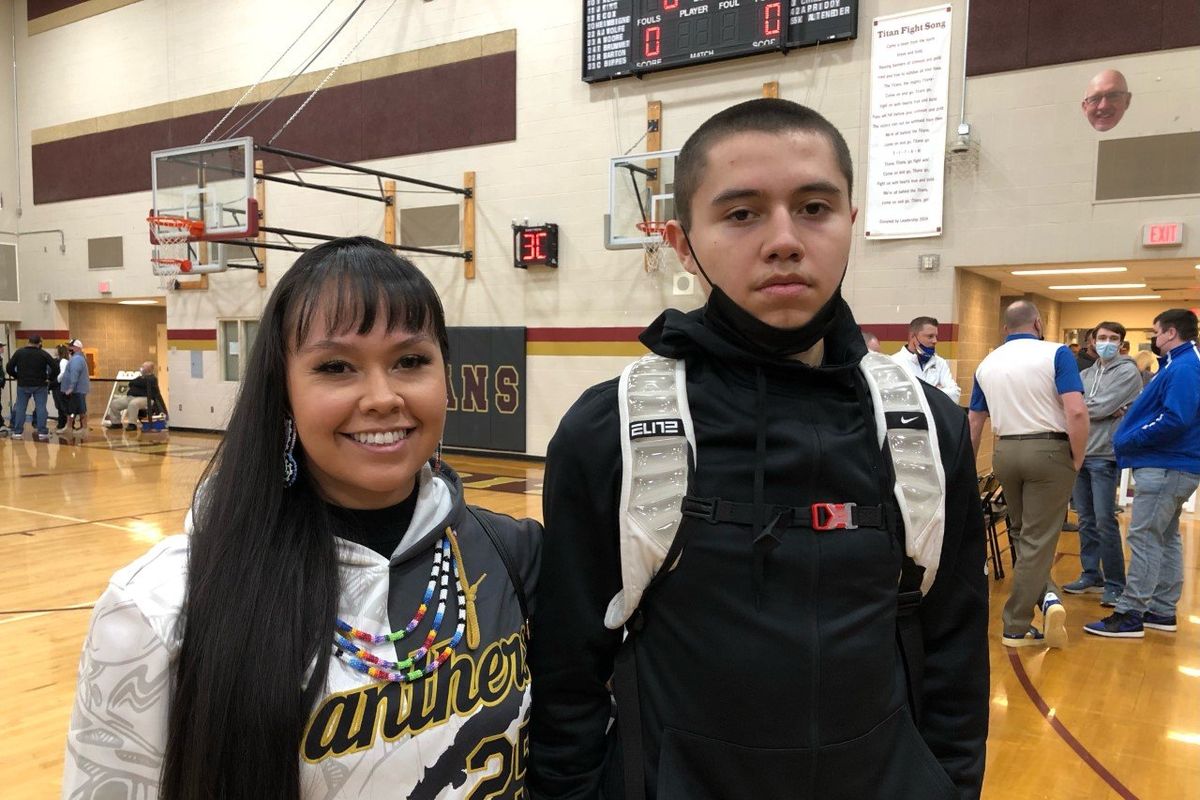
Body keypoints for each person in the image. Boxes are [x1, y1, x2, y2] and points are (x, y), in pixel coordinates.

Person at [530, 99, 989, 800]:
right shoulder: (608, 429)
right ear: (683, 242)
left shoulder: (926, 426)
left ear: (852, 223)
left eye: (814, 207)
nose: (783, 240)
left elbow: (954, 654)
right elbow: (568, 675)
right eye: (741, 214)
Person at [63, 237, 542, 798]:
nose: (383, 397)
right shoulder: (160, 607)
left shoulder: (514, 553)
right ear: (283, 393)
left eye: (410, 361)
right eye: (336, 367)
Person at [968, 300, 1088, 648]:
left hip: (1005, 451)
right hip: (1049, 450)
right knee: (1039, 537)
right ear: (1038, 323)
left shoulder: (987, 363)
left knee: (1021, 532)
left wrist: (966, 466)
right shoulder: (1057, 353)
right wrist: (1077, 457)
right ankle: (1016, 625)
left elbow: (975, 422)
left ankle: (1048, 597)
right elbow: (1076, 411)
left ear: (1005, 329)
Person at [1085, 309, 1200, 639]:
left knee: (1144, 537)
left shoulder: (1185, 366)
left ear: (1170, 332)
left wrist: (1129, 437)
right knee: (1164, 537)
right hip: (1171, 464)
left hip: (1167, 463)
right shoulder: (1179, 363)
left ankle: (1130, 612)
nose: (1154, 338)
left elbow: (1175, 418)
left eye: (1156, 332)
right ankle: (1162, 610)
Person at [1061, 321, 1142, 607]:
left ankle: (1115, 582)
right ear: (1092, 341)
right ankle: (1091, 573)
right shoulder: (1084, 373)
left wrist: (1087, 409)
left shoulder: (1128, 372)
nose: (1107, 342)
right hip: (1079, 453)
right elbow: (1070, 407)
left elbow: (1094, 407)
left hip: (1105, 455)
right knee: (1085, 519)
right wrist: (1086, 409)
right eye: (1102, 337)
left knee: (1105, 520)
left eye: (1114, 338)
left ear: (1121, 343)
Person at [891, 315, 961, 403]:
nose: (935, 341)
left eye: (936, 336)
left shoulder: (940, 363)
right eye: (930, 336)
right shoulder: (894, 363)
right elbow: (897, 399)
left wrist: (917, 392)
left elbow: (955, 396)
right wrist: (937, 391)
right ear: (913, 336)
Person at [5, 333, 59, 441]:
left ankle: (17, 431)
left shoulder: (19, 353)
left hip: (23, 384)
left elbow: (9, 367)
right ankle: (42, 432)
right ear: (39, 343)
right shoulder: (43, 354)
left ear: (28, 341)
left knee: (20, 407)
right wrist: (49, 378)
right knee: (41, 407)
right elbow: (55, 368)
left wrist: (17, 376)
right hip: (40, 385)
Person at [122, 361, 168, 430]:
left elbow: (140, 382)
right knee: (115, 403)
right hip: (132, 397)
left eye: (143, 367)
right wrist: (137, 383)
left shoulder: (152, 378)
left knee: (133, 404)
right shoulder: (141, 377)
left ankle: (132, 424)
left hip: (146, 399)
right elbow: (131, 383)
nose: (141, 368)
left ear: (148, 369)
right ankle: (115, 423)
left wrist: (137, 383)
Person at [60, 338, 90, 432]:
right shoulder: (76, 358)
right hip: (76, 390)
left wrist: (71, 388)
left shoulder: (77, 359)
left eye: (71, 346)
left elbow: (74, 374)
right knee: (72, 410)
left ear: (77, 348)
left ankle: (84, 427)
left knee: (81, 409)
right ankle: (69, 426)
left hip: (77, 390)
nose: (69, 348)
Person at [51, 344, 70, 430]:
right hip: (58, 386)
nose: (54, 351)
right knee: (59, 405)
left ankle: (65, 424)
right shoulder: (58, 360)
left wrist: (55, 381)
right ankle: (61, 423)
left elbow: (62, 374)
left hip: (60, 386)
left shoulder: (63, 361)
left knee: (62, 406)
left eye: (56, 349)